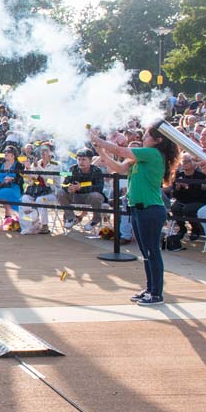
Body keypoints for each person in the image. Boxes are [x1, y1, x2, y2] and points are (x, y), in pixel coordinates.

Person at [90, 125, 179, 304]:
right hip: (139, 208)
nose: (144, 137)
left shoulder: (152, 153)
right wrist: (102, 152)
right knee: (146, 252)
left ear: (158, 140)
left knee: (151, 251)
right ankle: (150, 289)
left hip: (150, 208)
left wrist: (99, 141)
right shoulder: (142, 156)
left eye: (147, 135)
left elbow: (119, 150)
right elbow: (119, 168)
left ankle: (156, 293)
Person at [56, 150, 106, 230]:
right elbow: (65, 183)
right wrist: (69, 188)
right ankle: (71, 218)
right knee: (60, 193)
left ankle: (96, 219)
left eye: (83, 159)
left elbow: (99, 187)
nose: (81, 162)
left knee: (96, 196)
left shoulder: (97, 170)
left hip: (89, 197)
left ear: (90, 160)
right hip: (74, 196)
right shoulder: (72, 169)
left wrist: (80, 187)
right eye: (79, 159)